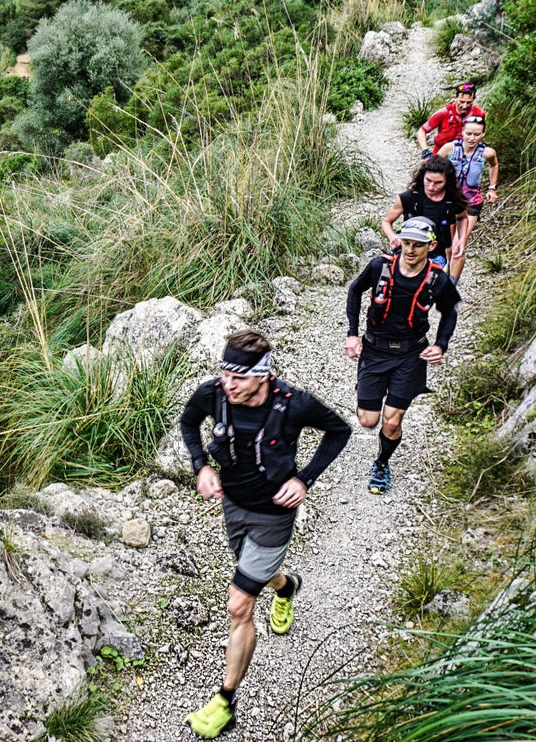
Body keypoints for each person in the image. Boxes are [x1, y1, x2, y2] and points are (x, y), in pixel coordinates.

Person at [179, 329, 351, 739]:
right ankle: (286, 585)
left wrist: (305, 479)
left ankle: (225, 701)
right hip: (233, 507)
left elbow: (339, 431)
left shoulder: (293, 404)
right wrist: (201, 465)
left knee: (239, 605)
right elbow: (188, 421)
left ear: (262, 375)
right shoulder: (215, 394)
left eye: (238, 377)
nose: (229, 383)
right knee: (252, 573)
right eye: (224, 373)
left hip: (274, 516)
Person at [345, 216, 460, 495]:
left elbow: (450, 311)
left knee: (392, 421)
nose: (410, 250)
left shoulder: (437, 278)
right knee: (367, 420)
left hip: (411, 354)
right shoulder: (379, 266)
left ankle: (382, 464)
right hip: (374, 350)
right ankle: (373, 393)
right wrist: (352, 333)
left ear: (431, 246)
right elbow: (354, 290)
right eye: (406, 243)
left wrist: (441, 345)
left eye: (418, 245)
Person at [436, 115, 499, 281]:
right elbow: (431, 167)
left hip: (471, 204)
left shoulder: (487, 153)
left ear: (483, 134)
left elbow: (494, 164)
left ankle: (450, 287)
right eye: (469, 133)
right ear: (462, 132)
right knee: (449, 247)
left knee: (459, 245)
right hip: (448, 202)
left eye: (477, 134)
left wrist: (492, 188)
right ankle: (447, 272)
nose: (472, 138)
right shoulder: (449, 149)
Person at [381, 157, 469, 271]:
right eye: (428, 180)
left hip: (437, 255)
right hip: (408, 251)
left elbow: (462, 218)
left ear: (447, 181)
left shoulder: (453, 200)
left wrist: (461, 241)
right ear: (423, 177)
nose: (431, 187)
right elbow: (386, 221)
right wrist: (392, 237)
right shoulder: (408, 197)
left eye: (438, 183)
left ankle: (450, 286)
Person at [416, 83, 486, 157]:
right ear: (455, 98)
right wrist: (426, 152)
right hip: (441, 156)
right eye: (461, 102)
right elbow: (422, 131)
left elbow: (480, 134)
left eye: (469, 102)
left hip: (466, 157)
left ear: (474, 99)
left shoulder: (479, 114)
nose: (465, 106)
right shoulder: (443, 113)